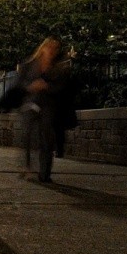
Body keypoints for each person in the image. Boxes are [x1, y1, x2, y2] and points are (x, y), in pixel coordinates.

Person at [15, 37, 74, 182]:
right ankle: (27, 167)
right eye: (49, 47)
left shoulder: (59, 68)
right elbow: (20, 83)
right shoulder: (29, 65)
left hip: (48, 105)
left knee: (46, 139)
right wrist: (30, 86)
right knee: (27, 136)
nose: (52, 51)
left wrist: (47, 87)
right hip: (30, 104)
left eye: (55, 49)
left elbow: (63, 88)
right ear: (42, 48)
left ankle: (45, 173)